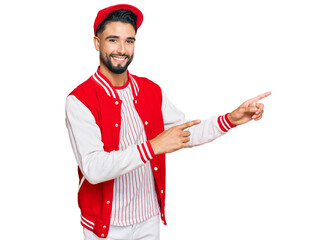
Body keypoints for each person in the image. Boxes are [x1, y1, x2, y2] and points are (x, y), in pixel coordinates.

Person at [65, 4, 271, 240]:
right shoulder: (79, 100)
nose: (122, 49)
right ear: (97, 43)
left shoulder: (151, 91)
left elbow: (184, 134)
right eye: (113, 40)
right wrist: (153, 146)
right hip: (106, 227)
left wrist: (230, 119)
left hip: (148, 219)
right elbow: (94, 168)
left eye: (129, 41)